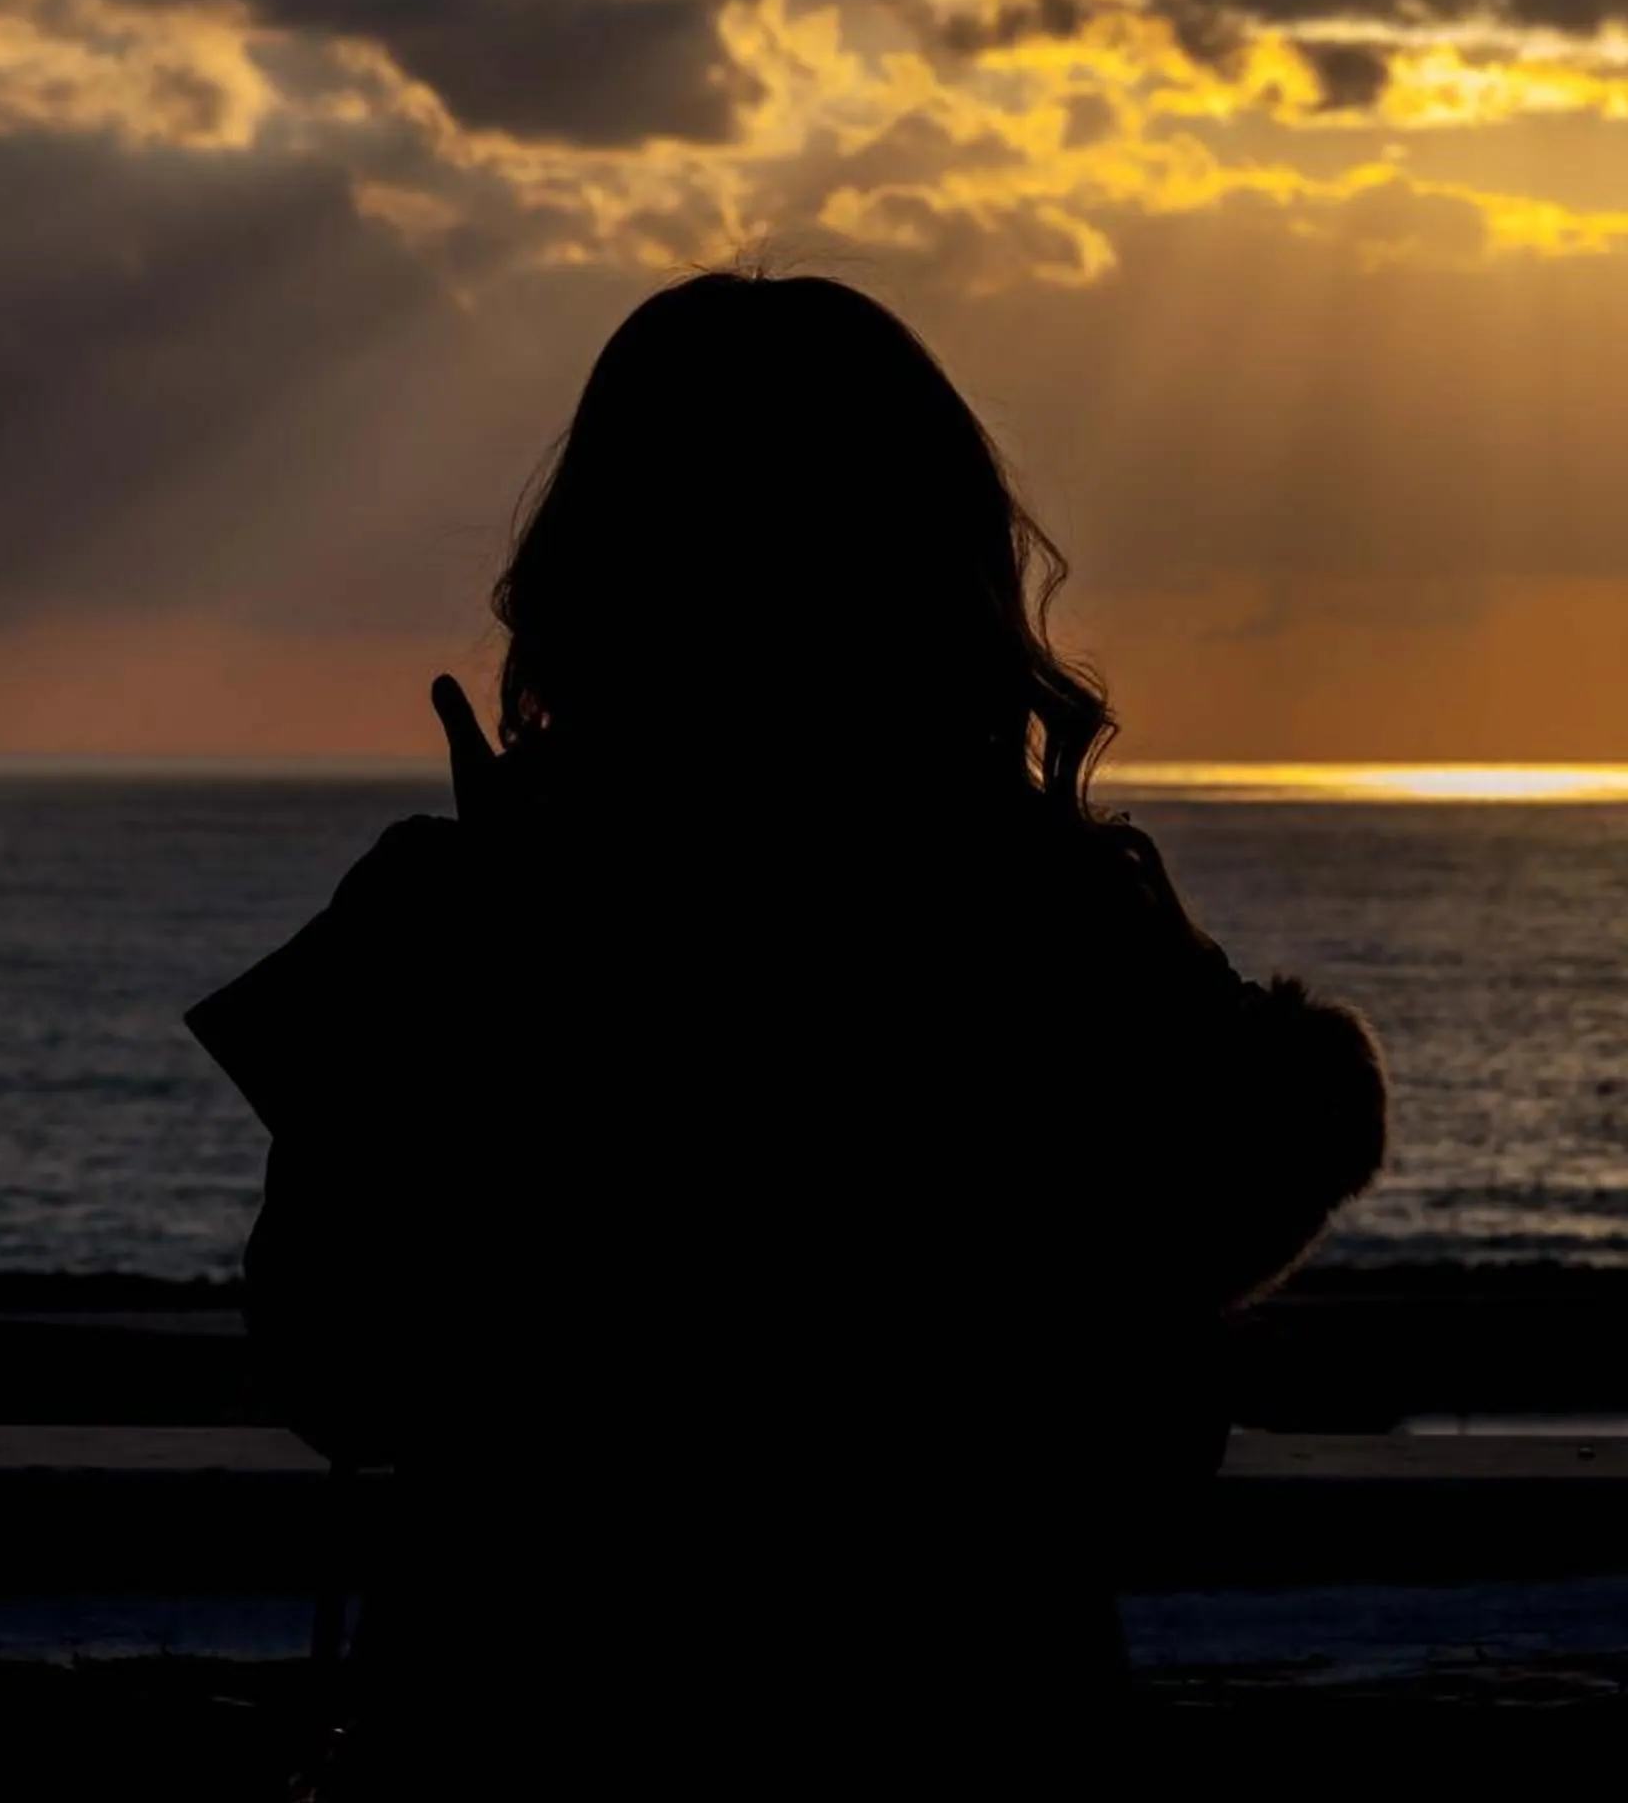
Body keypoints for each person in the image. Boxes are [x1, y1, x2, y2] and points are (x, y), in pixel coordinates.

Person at [187, 272, 1389, 1791]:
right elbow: (1150, 1447)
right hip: (963, 1718)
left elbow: (334, 1372)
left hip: (521, 1719)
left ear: (596, 569)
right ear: (945, 565)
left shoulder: (456, 910)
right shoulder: (1060, 924)